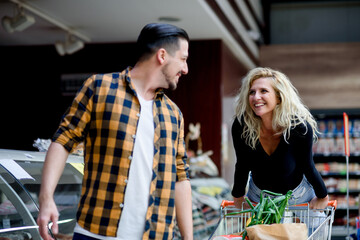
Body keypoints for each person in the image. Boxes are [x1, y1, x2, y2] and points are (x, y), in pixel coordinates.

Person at [37, 23, 193, 240]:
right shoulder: (99, 88)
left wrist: (189, 238)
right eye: (183, 59)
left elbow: (181, 176)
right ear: (162, 55)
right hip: (95, 232)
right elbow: (63, 140)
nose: (185, 69)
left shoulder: (173, 114)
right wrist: (46, 199)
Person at [231, 67, 329, 210]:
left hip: (298, 196)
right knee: (257, 233)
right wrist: (238, 197)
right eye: (252, 92)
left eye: (263, 91)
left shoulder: (298, 127)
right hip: (259, 198)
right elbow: (242, 165)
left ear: (278, 97)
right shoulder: (242, 126)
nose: (256, 97)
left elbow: (307, 165)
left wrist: (323, 196)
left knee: (311, 231)